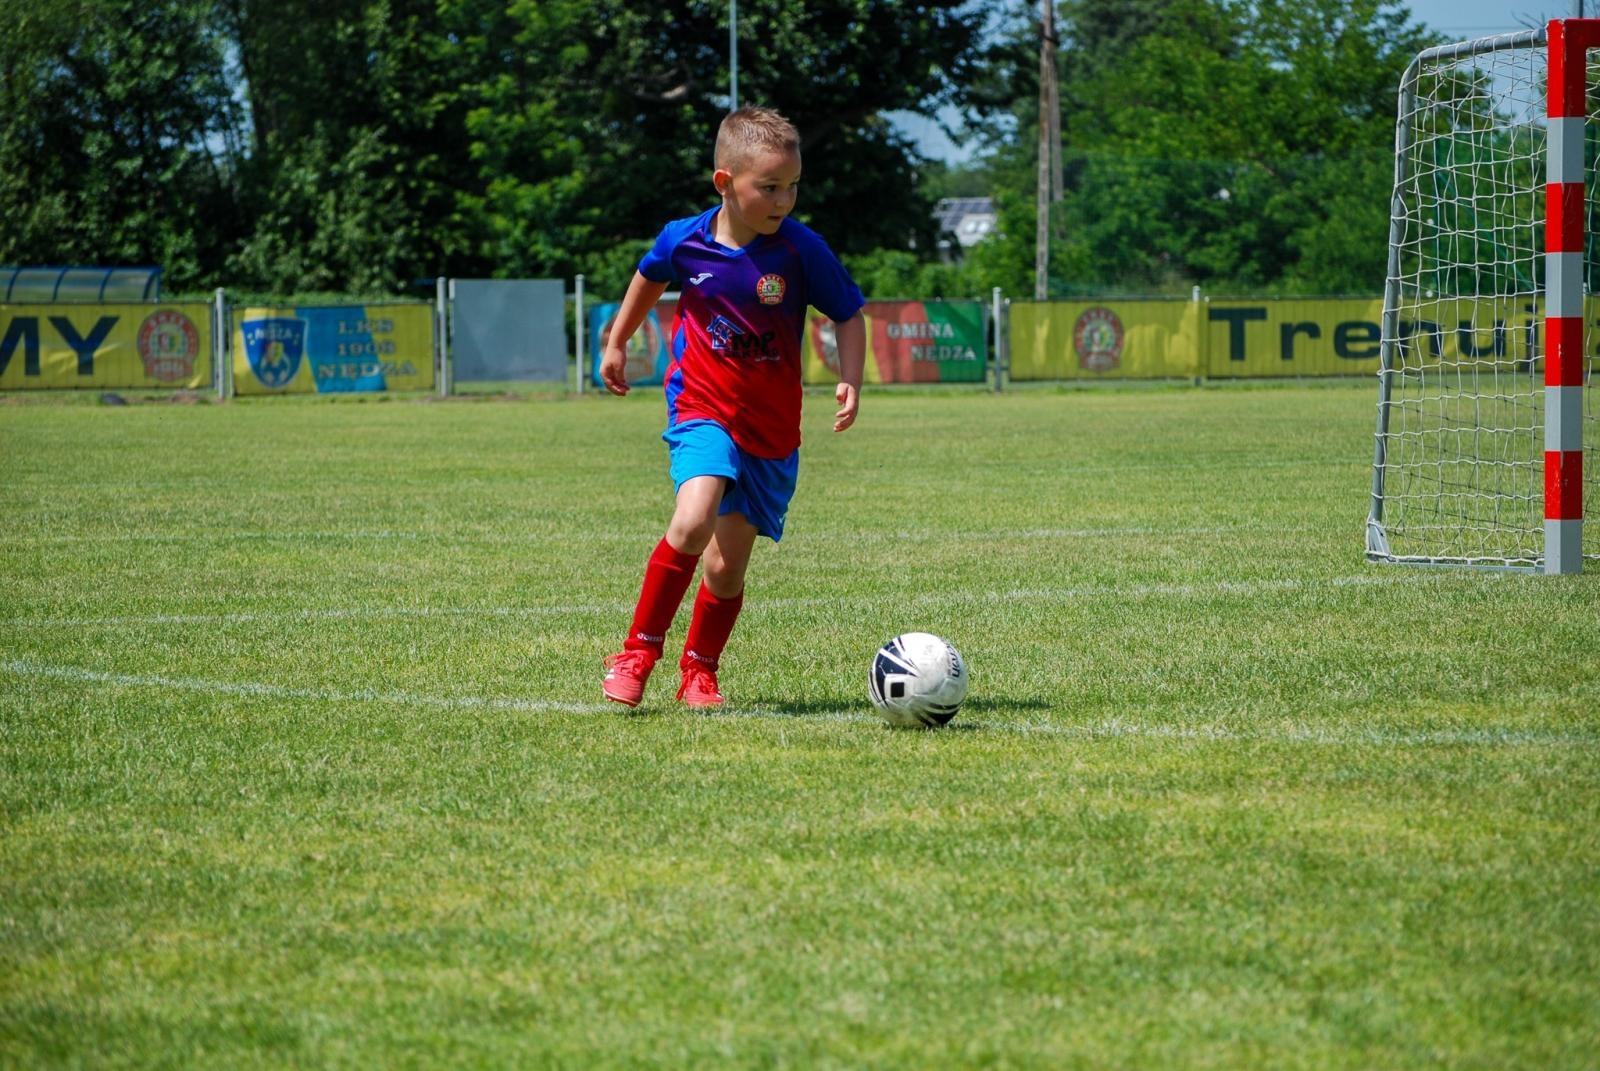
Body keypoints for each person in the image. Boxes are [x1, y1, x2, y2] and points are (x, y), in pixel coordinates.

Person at [597, 105, 867, 709]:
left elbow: (847, 312)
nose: (784, 200)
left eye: (792, 186)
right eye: (769, 188)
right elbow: (647, 276)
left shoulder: (800, 250)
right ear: (725, 183)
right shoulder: (684, 239)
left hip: (770, 428)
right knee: (692, 520)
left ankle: (700, 670)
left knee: (724, 567)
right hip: (701, 406)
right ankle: (638, 652)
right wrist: (617, 341)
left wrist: (851, 377)